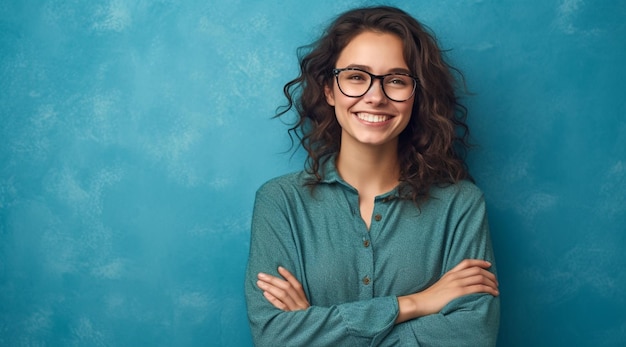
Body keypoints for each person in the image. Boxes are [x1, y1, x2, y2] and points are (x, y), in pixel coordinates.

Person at [245, 5, 500, 346]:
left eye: (396, 80)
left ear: (416, 95)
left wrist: (315, 328)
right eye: (356, 77)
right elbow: (275, 338)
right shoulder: (280, 202)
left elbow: (472, 337)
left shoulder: (461, 206)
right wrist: (415, 304)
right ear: (329, 90)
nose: (375, 97)